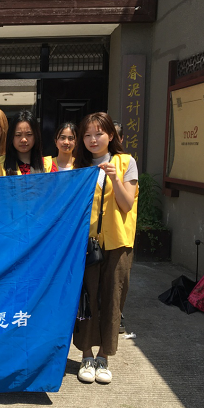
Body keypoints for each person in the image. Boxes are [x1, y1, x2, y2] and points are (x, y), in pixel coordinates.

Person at [72, 112, 138, 385]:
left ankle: (103, 357)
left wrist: (115, 179)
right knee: (86, 298)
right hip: (85, 244)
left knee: (113, 298)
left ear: (111, 135)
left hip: (118, 242)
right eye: (87, 135)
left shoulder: (126, 162)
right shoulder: (78, 165)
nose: (92, 139)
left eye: (98, 134)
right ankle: (86, 355)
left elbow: (127, 204)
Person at [0, 110, 52, 176]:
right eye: (18, 135)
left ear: (36, 136)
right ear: (11, 137)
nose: (23, 140)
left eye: (29, 134)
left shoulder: (48, 166)